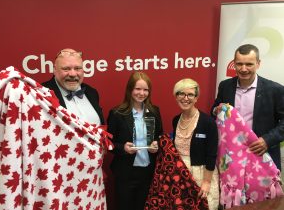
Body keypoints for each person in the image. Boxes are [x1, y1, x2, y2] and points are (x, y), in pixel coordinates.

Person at [211, 44, 284, 170]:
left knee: (264, 190)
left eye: (249, 64)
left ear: (258, 64)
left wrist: (267, 140)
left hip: (262, 155)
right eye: (239, 64)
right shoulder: (225, 86)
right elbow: (214, 110)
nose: (243, 69)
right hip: (231, 157)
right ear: (234, 63)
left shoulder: (275, 90)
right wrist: (216, 110)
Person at [107, 72, 163, 210]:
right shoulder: (117, 113)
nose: (142, 93)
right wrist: (123, 148)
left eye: (145, 90)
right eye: (138, 89)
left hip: (147, 172)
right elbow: (109, 143)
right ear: (130, 89)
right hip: (125, 173)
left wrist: (157, 145)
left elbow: (159, 137)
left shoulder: (154, 111)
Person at [172, 78, 219, 210]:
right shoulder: (176, 120)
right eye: (181, 93)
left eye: (190, 94)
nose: (185, 98)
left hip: (202, 174)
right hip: (180, 174)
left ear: (196, 98)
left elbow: (211, 154)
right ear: (176, 96)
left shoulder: (208, 122)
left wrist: (206, 182)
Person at [42, 48, 104, 125]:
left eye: (77, 68)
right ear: (55, 70)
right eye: (66, 69)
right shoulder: (42, 93)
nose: (73, 74)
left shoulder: (91, 92)